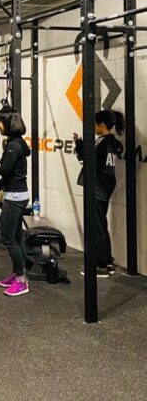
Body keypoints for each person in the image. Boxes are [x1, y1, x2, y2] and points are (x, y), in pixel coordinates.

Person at [73, 109, 124, 278]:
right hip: (105, 187)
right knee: (101, 225)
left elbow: (87, 159)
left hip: (98, 188)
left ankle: (101, 265)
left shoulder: (102, 142)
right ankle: (107, 261)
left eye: (95, 125)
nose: (94, 128)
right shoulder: (113, 143)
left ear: (102, 125)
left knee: (97, 228)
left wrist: (79, 145)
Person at [0, 105, 31, 296]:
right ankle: (19, 273)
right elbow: (8, 175)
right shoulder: (16, 143)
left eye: (0, 121)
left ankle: (21, 281)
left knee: (7, 237)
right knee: (17, 237)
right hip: (18, 194)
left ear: (8, 123)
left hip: (15, 197)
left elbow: (4, 170)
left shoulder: (14, 145)